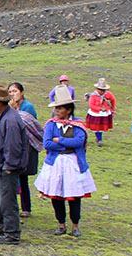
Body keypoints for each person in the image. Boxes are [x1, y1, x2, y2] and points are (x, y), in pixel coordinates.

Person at [35, 85, 97, 237]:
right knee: (56, 196)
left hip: (73, 163)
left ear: (68, 110)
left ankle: (75, 225)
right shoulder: (50, 124)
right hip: (56, 164)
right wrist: (64, 143)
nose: (57, 111)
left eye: (60, 108)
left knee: (74, 196)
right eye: (56, 108)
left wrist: (60, 140)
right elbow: (47, 143)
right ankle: (61, 224)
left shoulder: (78, 125)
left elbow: (79, 142)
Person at [0, 85, 28, 245]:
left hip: (7, 167)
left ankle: (12, 233)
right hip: (0, 166)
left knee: (8, 200)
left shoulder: (10, 120)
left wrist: (9, 167)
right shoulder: (2, 116)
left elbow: (13, 146)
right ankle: (1, 224)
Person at [8, 82, 42, 220]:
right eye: (10, 91)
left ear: (21, 92)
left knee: (23, 177)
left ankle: (26, 207)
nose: (12, 94)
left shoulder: (28, 107)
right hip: (15, 145)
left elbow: (28, 124)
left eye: (14, 91)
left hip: (27, 145)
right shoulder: (10, 106)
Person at [85, 78, 117, 146]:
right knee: (96, 127)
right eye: (100, 90)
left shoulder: (108, 94)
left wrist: (112, 109)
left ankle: (99, 138)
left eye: (103, 90)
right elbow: (91, 105)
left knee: (101, 127)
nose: (102, 91)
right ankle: (99, 139)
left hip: (104, 114)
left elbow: (113, 100)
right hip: (95, 114)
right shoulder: (93, 96)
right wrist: (99, 109)